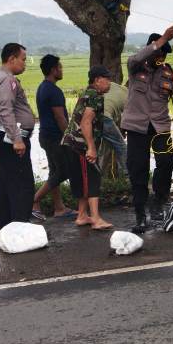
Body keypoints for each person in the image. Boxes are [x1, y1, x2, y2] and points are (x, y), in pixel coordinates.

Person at [122, 26, 173, 234]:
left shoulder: (169, 73)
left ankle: (158, 202)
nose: (162, 57)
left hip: (160, 126)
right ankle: (140, 215)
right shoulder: (136, 67)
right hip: (136, 127)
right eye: (159, 53)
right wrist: (163, 39)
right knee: (138, 169)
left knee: (167, 162)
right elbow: (137, 57)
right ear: (152, 51)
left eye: (165, 54)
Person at [61, 66, 114, 230]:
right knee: (92, 178)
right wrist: (91, 148)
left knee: (84, 180)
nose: (110, 82)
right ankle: (96, 219)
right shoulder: (95, 95)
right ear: (97, 80)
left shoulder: (88, 92)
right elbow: (86, 122)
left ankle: (82, 215)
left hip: (72, 144)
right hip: (80, 146)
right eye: (107, 79)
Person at [0, 43, 36, 229]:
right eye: (23, 60)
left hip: (6, 137)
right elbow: (6, 110)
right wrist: (17, 140)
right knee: (21, 185)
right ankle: (20, 228)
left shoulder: (1, 78)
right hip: (11, 140)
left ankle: (8, 228)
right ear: (11, 59)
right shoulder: (8, 80)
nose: (25, 64)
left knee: (8, 184)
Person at [32, 54, 74, 221]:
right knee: (64, 171)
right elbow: (60, 118)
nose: (62, 70)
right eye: (60, 67)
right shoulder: (54, 91)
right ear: (53, 70)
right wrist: (69, 138)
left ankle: (59, 208)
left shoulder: (42, 87)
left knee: (54, 171)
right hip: (55, 137)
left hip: (45, 136)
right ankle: (34, 200)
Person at [100, 80, 129, 178]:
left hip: (95, 116)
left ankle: (97, 179)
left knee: (102, 149)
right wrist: (124, 131)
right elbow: (128, 118)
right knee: (121, 145)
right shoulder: (130, 95)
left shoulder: (116, 87)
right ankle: (129, 174)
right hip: (105, 118)